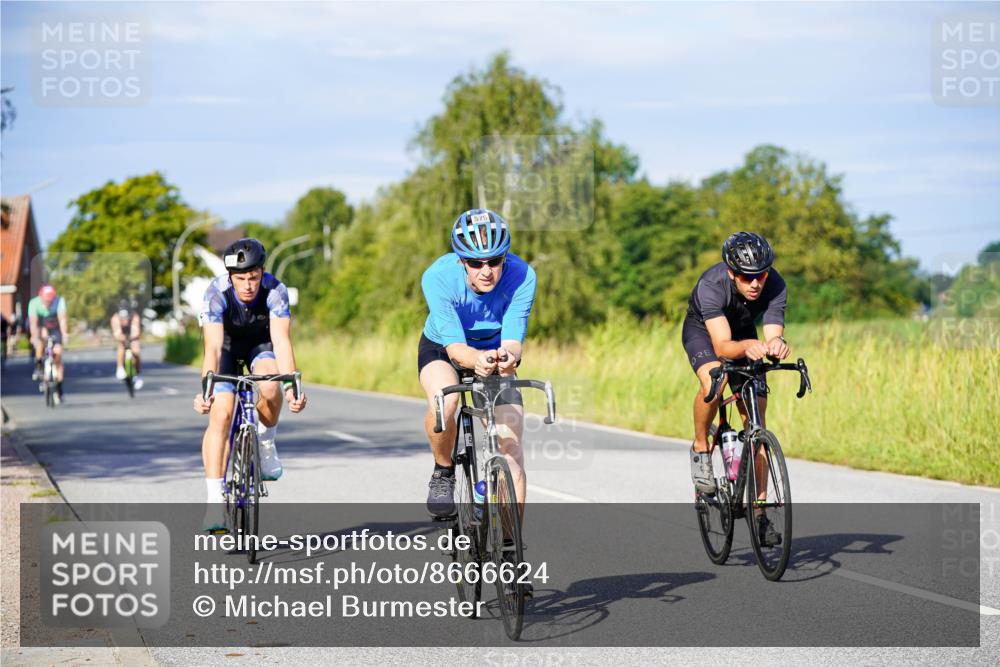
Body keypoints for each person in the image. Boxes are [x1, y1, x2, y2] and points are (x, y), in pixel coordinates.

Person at [419, 208, 537, 523]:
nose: (486, 271)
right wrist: (476, 360)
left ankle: (510, 544)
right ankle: (443, 470)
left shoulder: (522, 275)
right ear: (461, 261)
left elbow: (513, 339)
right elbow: (457, 350)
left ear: (505, 258)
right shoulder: (437, 277)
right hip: (443, 348)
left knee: (511, 446)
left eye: (495, 261)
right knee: (445, 401)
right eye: (475, 263)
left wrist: (508, 357)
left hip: (495, 350)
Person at [191, 238, 308, 531]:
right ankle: (214, 502)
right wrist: (206, 390)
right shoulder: (215, 293)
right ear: (230, 276)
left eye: (253, 277)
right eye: (240, 279)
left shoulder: (276, 290)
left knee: (270, 384)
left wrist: (291, 387)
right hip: (227, 348)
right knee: (221, 413)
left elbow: (281, 341)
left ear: (262, 272)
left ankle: (266, 442)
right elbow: (212, 348)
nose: (247, 285)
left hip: (260, 345)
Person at [682, 231, 790, 545]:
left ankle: (759, 514)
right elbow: (722, 346)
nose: (755, 283)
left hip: (743, 332)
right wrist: (748, 346)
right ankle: (701, 447)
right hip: (705, 333)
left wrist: (776, 344)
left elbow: (773, 332)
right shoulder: (712, 285)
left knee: (757, 426)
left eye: (761, 275)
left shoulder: (776, 284)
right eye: (746, 277)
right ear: (732, 272)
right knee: (714, 382)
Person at [28, 285, 68, 403]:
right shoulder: (34, 303)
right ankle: (39, 365)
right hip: (42, 326)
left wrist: (64, 334)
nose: (48, 302)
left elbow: (62, 319)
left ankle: (59, 386)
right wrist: (34, 337)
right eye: (46, 299)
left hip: (55, 327)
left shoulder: (59, 301)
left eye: (51, 299)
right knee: (40, 342)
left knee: (58, 354)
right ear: (41, 297)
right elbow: (33, 323)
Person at [111, 300, 143, 390]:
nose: (124, 320)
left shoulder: (135, 316)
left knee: (136, 351)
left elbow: (136, 331)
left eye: (126, 318)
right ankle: (120, 368)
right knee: (121, 346)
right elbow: (117, 333)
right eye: (122, 318)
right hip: (122, 336)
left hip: (132, 335)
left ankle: (138, 374)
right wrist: (122, 338)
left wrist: (132, 338)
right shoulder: (115, 318)